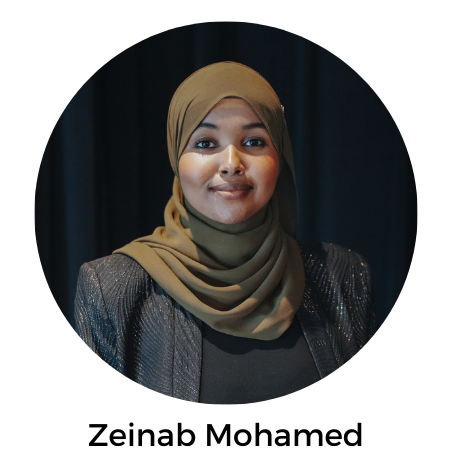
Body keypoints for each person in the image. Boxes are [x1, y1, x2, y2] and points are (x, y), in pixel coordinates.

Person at [74, 61, 378, 404]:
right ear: (176, 157)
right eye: (205, 143)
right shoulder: (112, 290)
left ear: (279, 156)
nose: (232, 163)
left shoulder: (342, 276)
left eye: (254, 141)